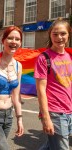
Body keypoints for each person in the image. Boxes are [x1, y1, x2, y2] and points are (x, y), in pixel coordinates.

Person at [34, 18, 72, 150]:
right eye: (55, 34)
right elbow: (41, 90)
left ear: (68, 34)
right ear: (50, 35)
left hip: (69, 112)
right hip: (55, 113)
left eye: (63, 33)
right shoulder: (44, 58)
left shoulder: (70, 56)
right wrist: (46, 118)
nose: (59, 37)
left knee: (50, 146)